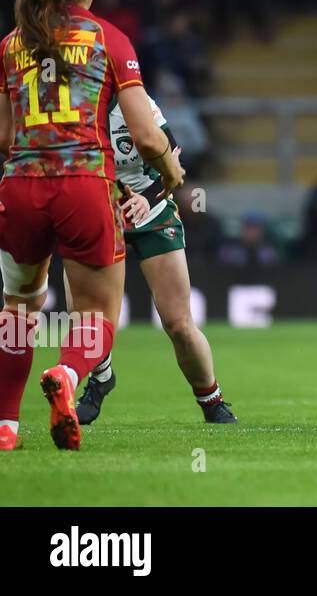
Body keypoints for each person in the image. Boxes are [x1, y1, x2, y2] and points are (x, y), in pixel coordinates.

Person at [0, 0, 183, 451]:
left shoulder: (11, 44)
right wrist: (170, 172)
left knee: (17, 311)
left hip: (20, 188)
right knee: (97, 315)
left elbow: (3, 137)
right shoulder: (109, 39)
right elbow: (147, 137)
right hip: (84, 186)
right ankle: (66, 373)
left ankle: (6, 427)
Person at [74, 93, 236, 426]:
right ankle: (100, 380)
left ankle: (211, 399)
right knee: (88, 318)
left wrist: (148, 199)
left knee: (179, 324)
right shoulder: (71, 105)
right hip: (95, 213)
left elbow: (174, 163)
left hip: (152, 211)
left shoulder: (137, 102)